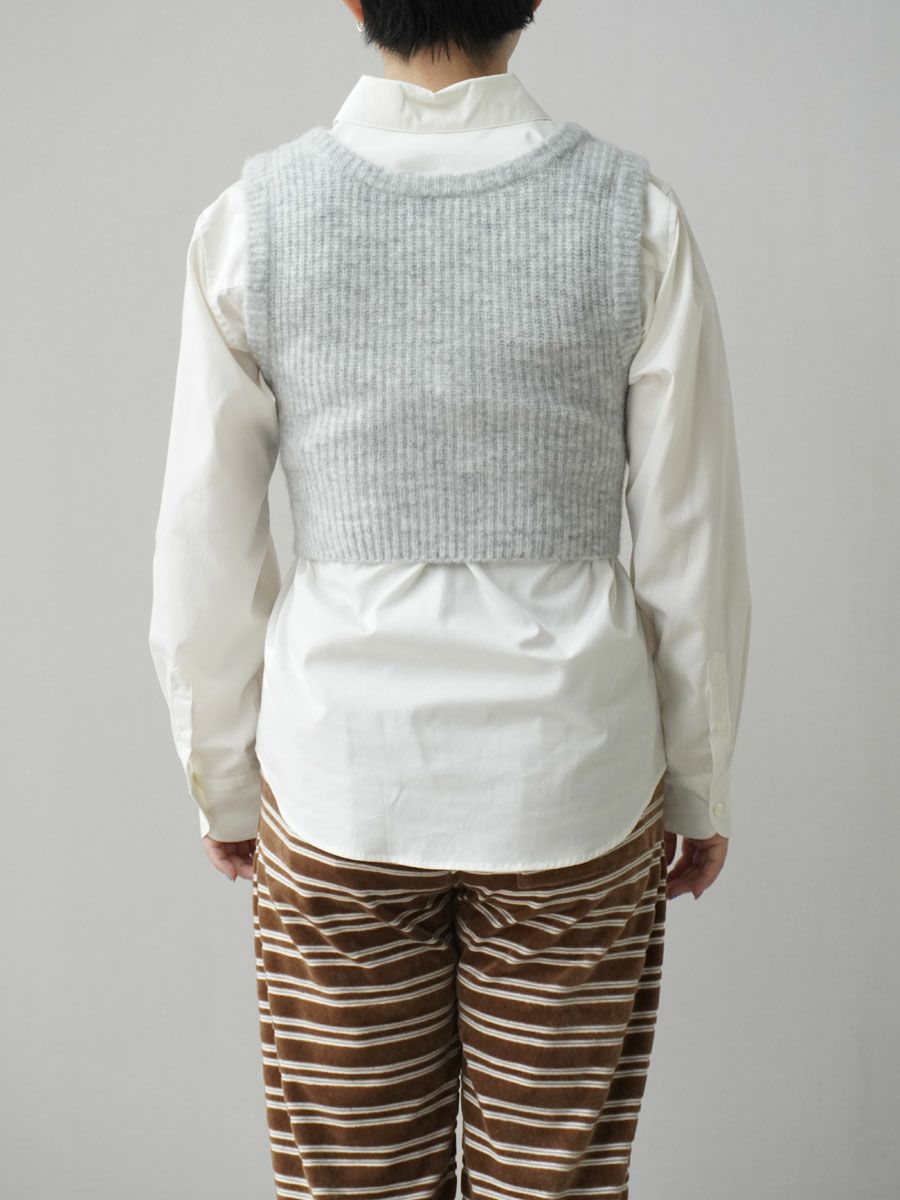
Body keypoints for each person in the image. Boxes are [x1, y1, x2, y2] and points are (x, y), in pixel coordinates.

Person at [149, 1, 752, 1195]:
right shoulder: (632, 216)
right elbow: (691, 537)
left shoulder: (254, 221)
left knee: (354, 1184)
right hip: (574, 781)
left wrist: (221, 772)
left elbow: (202, 542)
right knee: (555, 1183)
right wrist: (699, 778)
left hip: (339, 780)